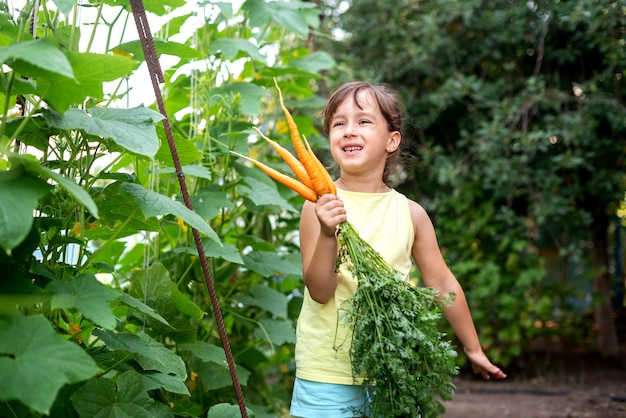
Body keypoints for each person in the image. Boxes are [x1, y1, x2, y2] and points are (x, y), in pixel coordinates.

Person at [289, 81, 506, 418]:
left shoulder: (411, 214)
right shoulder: (318, 206)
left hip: (393, 374)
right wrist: (328, 234)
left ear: (392, 140)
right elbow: (319, 291)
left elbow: (443, 285)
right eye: (339, 123)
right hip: (326, 375)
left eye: (363, 121)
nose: (349, 131)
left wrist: (473, 347)